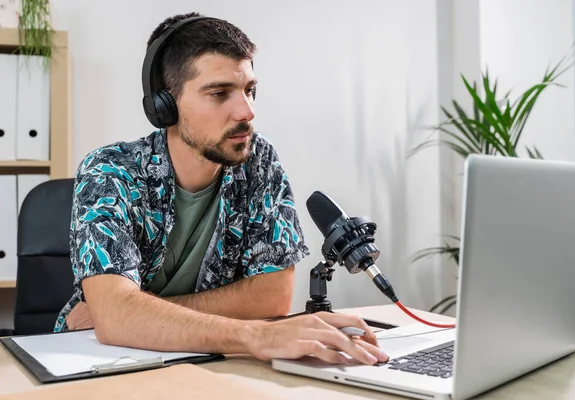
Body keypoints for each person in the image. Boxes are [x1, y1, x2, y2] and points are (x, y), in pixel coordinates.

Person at [54, 12, 389, 366]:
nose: (246, 112)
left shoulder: (259, 161)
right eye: (219, 94)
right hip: (100, 362)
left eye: (250, 90)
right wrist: (255, 334)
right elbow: (114, 322)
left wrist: (134, 312)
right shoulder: (109, 171)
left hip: (211, 360)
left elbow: (272, 297)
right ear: (164, 106)